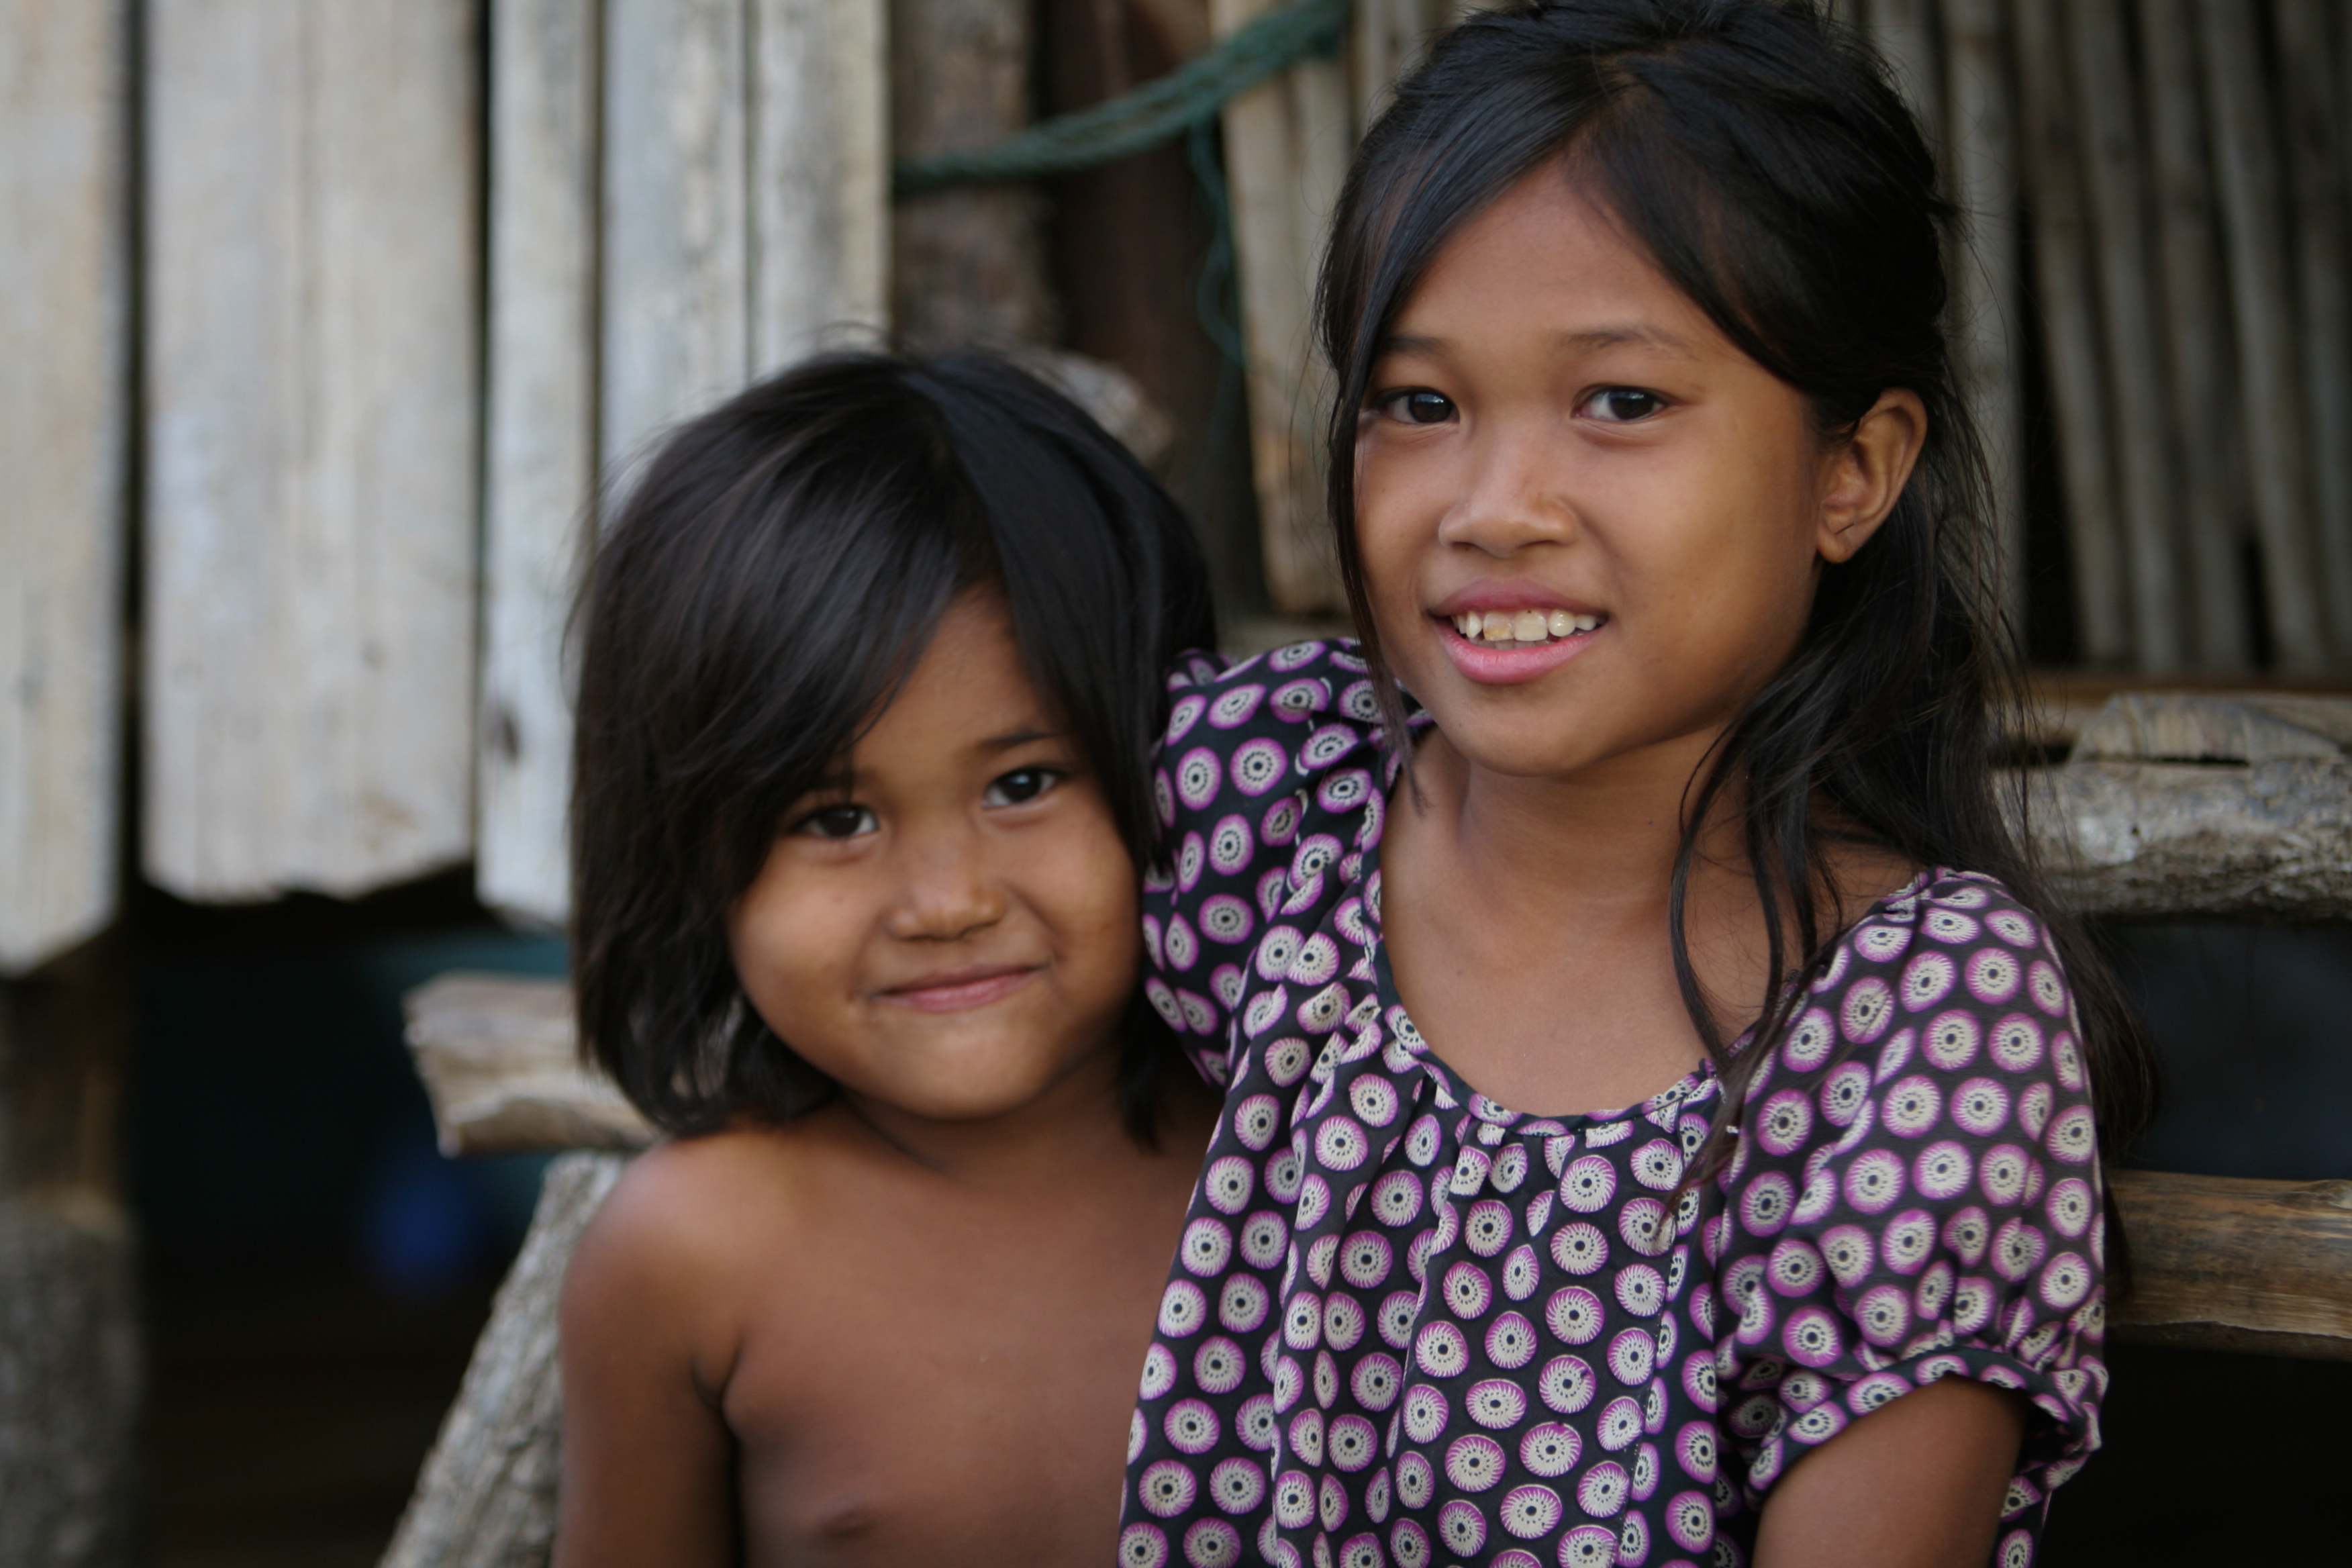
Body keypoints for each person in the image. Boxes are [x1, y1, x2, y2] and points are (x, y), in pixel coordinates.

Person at [1120, 5, 2157, 1567]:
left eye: (1620, 402)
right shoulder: (1275, 802)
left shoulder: (1911, 1023)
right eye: (1418, 402)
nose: (1494, 506)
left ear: (1851, 471)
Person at [554, 351, 1223, 1568]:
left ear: (1168, 759)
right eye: (836, 818)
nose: (948, 902)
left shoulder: (1295, 1157)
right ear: (686, 852)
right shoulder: (692, 1255)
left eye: (1025, 783)